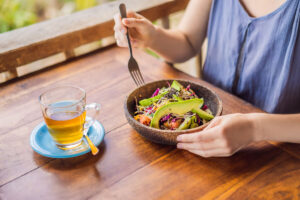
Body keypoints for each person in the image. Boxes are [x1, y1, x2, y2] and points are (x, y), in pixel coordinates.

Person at [113, 0, 300, 157]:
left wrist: (254, 128)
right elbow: (187, 41)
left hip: (278, 151)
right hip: (204, 138)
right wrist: (152, 37)